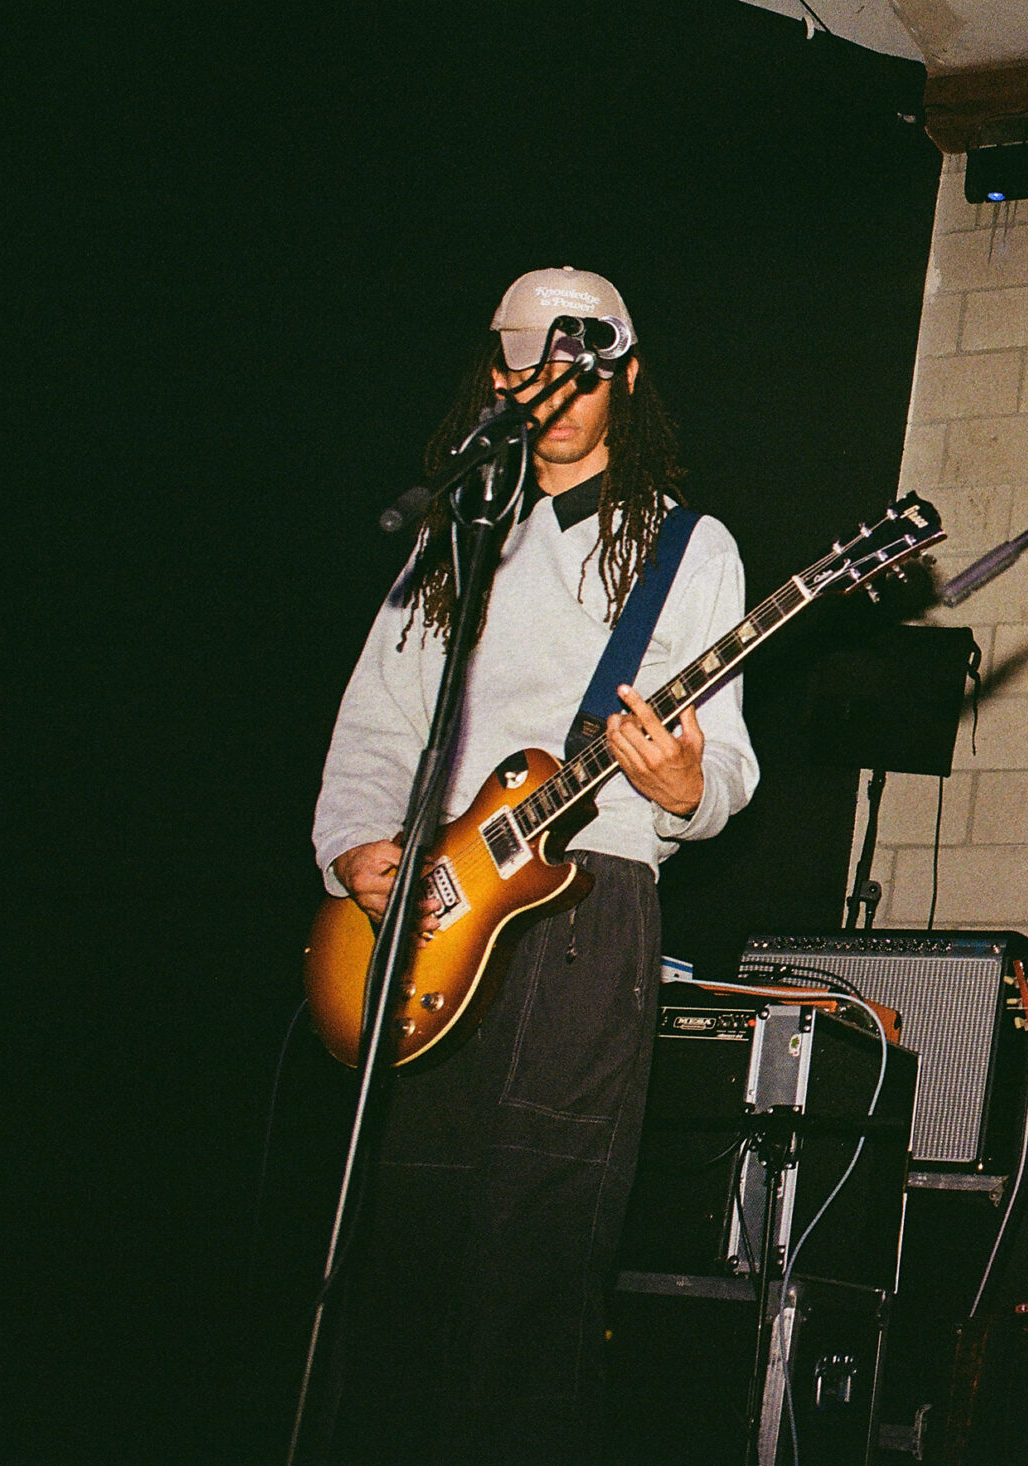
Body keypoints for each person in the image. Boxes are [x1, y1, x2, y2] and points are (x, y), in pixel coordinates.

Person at [310, 267, 758, 1463]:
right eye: (535, 373)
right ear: (501, 380)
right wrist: (357, 845)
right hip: (430, 916)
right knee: (404, 1238)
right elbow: (377, 722)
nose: (559, 396)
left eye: (585, 375)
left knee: (540, 1243)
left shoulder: (685, 545)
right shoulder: (458, 531)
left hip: (587, 909)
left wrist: (683, 788)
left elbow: (724, 767)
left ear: (627, 379)